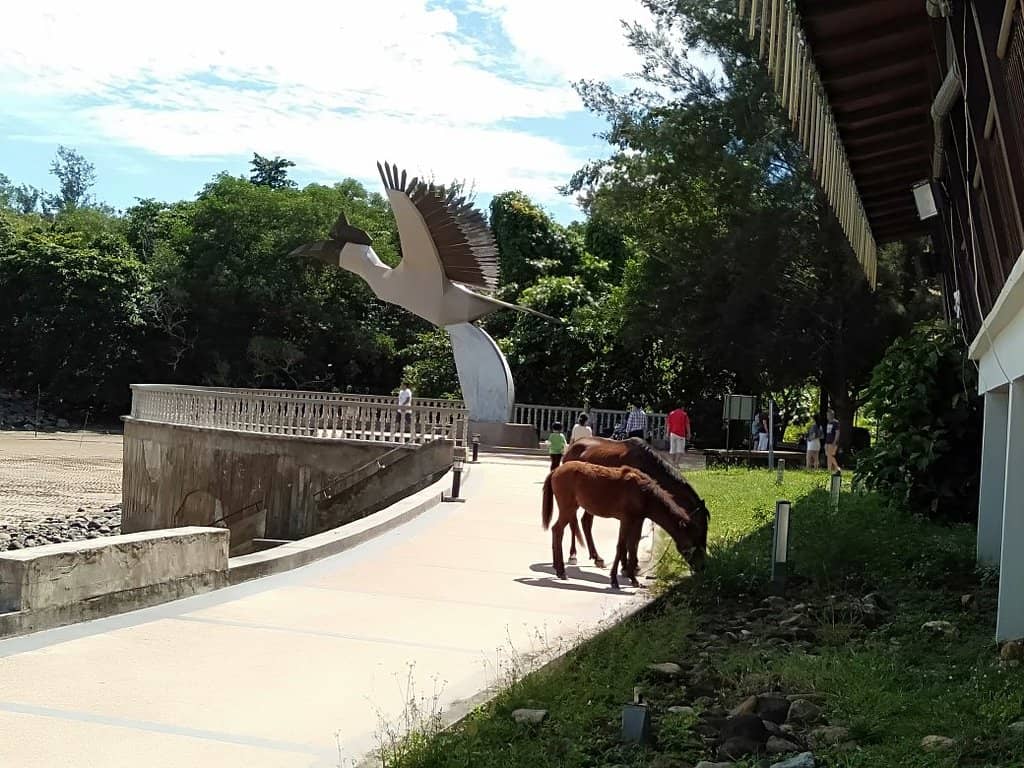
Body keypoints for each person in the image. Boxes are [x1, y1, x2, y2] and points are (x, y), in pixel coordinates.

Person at [824, 408, 842, 473]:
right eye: (827, 415)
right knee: (828, 455)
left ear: (831, 415)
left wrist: (834, 441)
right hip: (827, 441)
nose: (827, 416)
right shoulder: (829, 422)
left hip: (832, 441)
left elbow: (837, 433)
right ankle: (835, 468)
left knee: (830, 455)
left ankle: (831, 469)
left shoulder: (836, 422)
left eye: (828, 415)